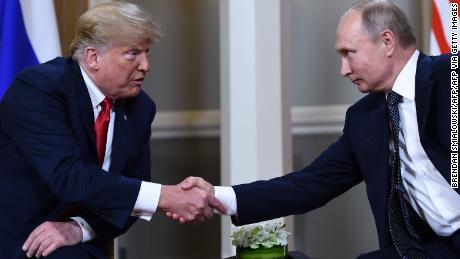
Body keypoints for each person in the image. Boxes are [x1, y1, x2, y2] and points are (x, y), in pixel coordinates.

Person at [178, 1, 459, 258]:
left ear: (387, 41)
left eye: (349, 53)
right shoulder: (365, 118)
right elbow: (310, 184)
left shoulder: (450, 78)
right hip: (430, 249)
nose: (343, 69)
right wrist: (219, 196)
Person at [0, 2, 224, 259]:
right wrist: (166, 196)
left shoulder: (140, 107)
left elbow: (131, 194)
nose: (146, 65)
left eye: (147, 52)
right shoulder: (39, 89)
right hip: (22, 240)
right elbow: (70, 177)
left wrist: (80, 228)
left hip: (80, 244)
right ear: (93, 57)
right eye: (133, 54)